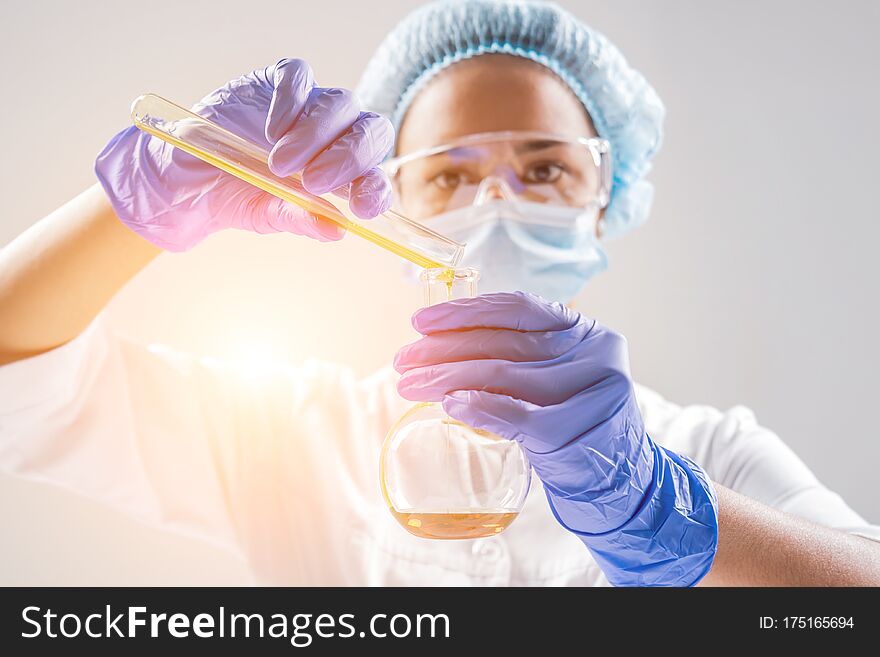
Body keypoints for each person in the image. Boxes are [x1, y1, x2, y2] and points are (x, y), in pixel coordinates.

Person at [1, 0, 878, 587]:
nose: (496, 203)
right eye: (448, 178)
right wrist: (145, 200)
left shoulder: (704, 450)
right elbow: (16, 377)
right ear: (386, 203)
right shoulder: (291, 439)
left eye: (544, 167)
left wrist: (656, 504)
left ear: (603, 201)